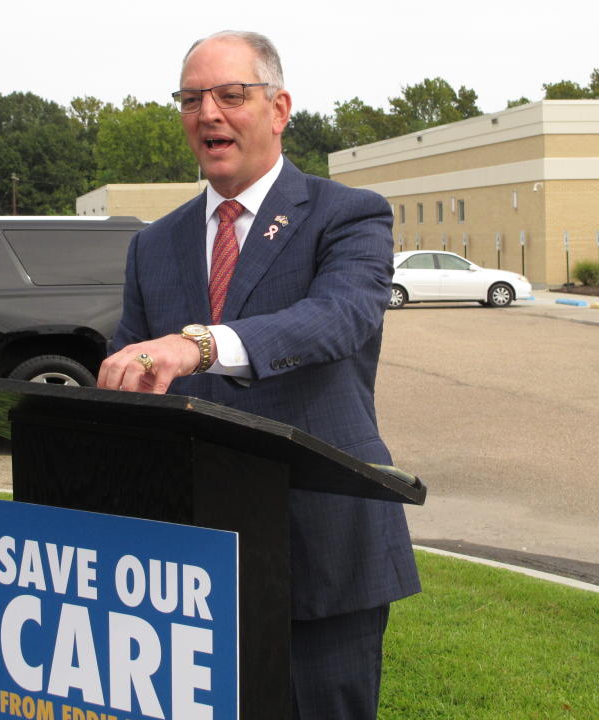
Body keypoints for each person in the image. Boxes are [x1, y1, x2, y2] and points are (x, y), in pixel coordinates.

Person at [97, 30, 420, 719]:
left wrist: (199, 345)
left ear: (278, 108)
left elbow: (338, 318)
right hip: (184, 567)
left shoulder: (349, 216)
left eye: (230, 95)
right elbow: (133, 368)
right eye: (191, 99)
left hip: (322, 556)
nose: (207, 113)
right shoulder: (152, 245)